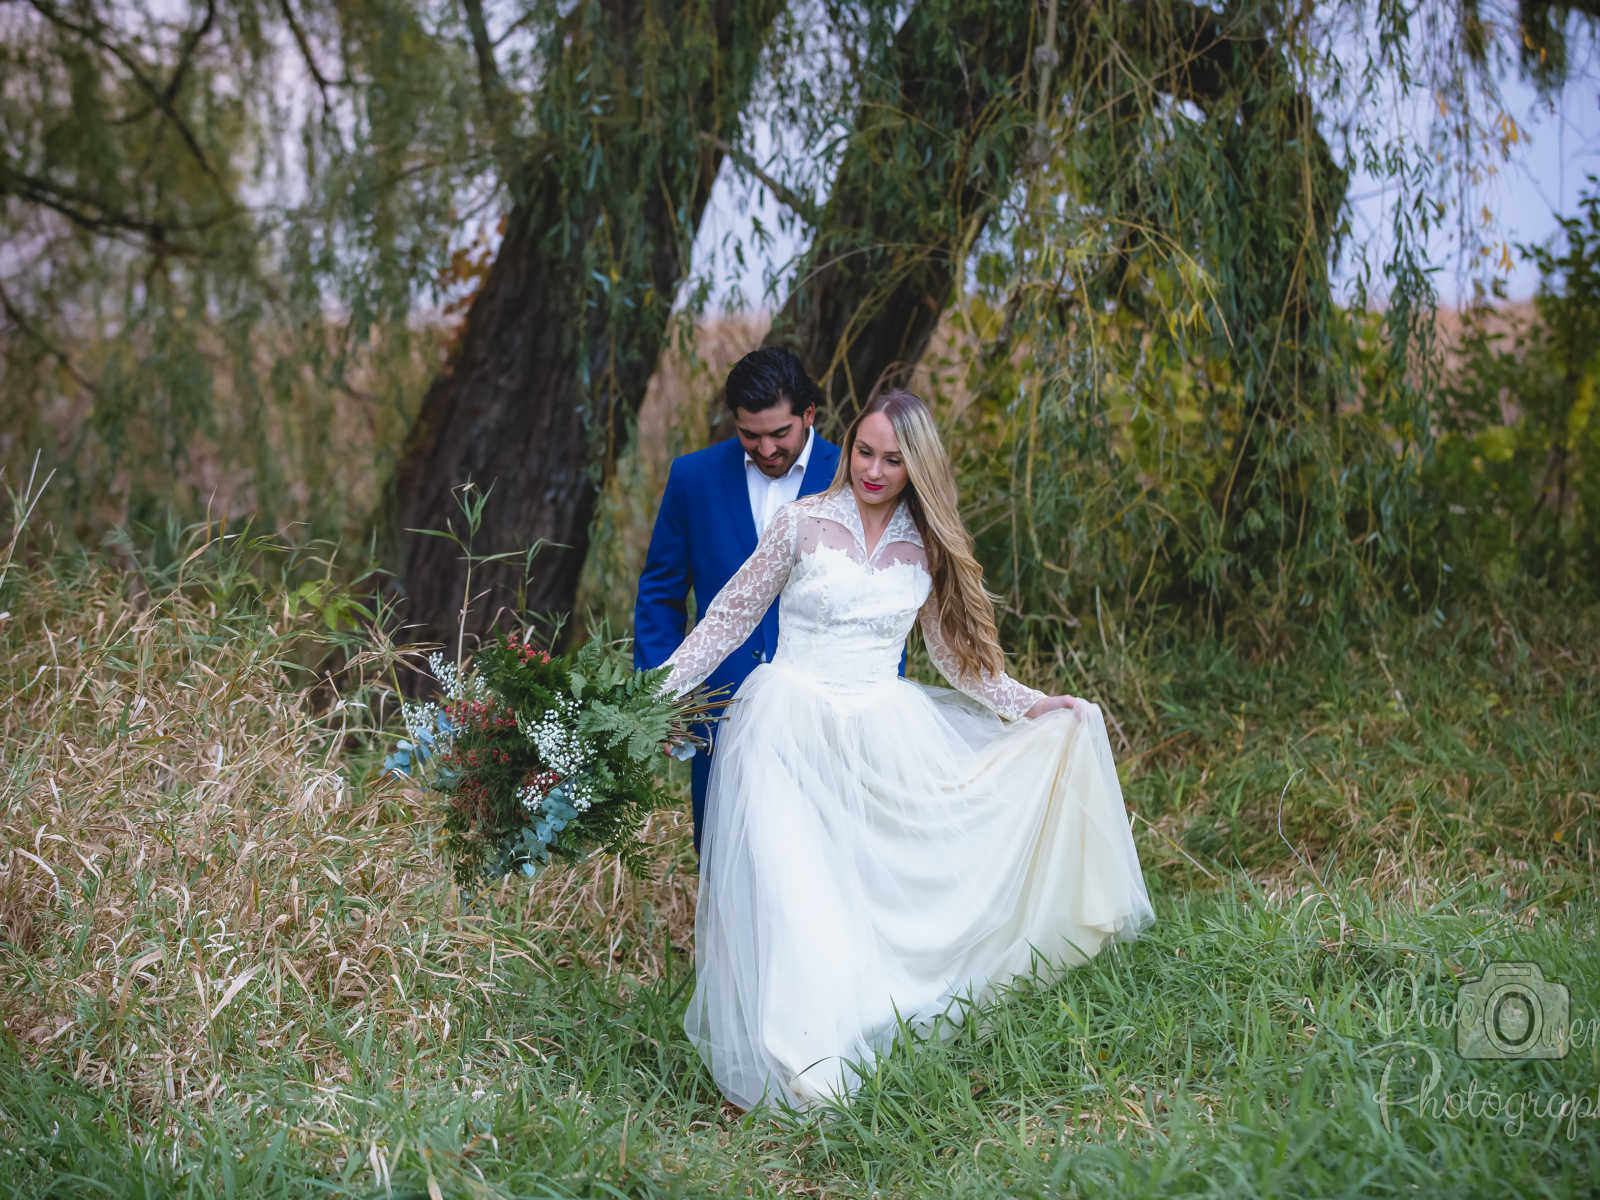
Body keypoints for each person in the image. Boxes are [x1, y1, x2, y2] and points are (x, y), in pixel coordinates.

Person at [658, 389, 1155, 1112]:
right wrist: (650, 695)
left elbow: (958, 662)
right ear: (846, 446)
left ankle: (836, 1044)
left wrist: (1032, 705)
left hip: (878, 737)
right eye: (864, 451)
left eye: (894, 459)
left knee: (851, 898)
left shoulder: (923, 548)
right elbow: (725, 620)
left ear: (917, 467)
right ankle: (791, 1064)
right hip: (784, 727)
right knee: (789, 890)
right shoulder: (800, 526)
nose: (873, 469)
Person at [633, 347, 841, 852]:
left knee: (821, 860)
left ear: (808, 415)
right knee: (726, 857)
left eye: (779, 434)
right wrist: (660, 690)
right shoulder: (694, 478)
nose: (766, 449)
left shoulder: (852, 477)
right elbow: (661, 591)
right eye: (750, 435)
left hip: (827, 708)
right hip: (721, 708)